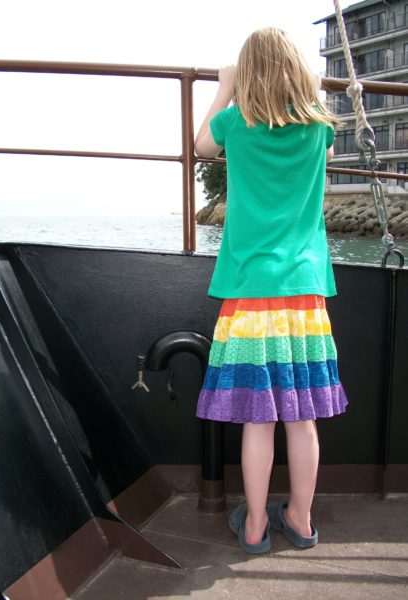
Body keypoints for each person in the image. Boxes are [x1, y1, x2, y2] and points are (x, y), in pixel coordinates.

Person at [195, 27, 348, 554]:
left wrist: (225, 86)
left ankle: (256, 524)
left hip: (249, 291)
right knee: (301, 417)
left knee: (258, 418)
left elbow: (200, 147)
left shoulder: (236, 124)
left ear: (249, 75)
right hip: (304, 291)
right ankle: (301, 520)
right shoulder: (318, 129)